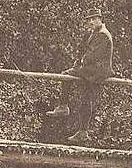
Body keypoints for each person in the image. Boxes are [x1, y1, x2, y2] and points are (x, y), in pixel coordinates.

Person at [46, 9, 113, 144]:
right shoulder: (92, 33)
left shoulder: (103, 35)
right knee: (86, 98)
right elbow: (82, 50)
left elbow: (94, 56)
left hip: (97, 70)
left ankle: (63, 106)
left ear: (100, 19)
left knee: (67, 75)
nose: (91, 22)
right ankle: (82, 131)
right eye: (89, 20)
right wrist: (78, 62)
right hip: (92, 69)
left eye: (93, 19)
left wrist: (81, 64)